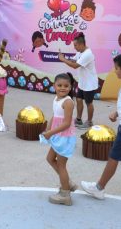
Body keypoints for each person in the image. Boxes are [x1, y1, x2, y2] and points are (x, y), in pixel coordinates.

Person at [81, 54, 121, 200]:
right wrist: (117, 112)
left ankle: (98, 188)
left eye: (117, 68)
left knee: (114, 157)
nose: (115, 71)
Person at [39, 73, 76, 206]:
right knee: (50, 159)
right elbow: (55, 116)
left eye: (66, 86)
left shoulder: (68, 102)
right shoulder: (57, 99)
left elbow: (66, 123)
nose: (62, 88)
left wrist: (50, 133)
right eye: (59, 85)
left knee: (61, 165)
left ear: (70, 87)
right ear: (54, 85)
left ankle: (65, 194)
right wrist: (48, 129)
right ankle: (67, 182)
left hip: (64, 137)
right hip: (57, 135)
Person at [58, 32, 98, 129]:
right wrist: (65, 58)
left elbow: (75, 66)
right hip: (83, 82)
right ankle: (79, 120)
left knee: (88, 103)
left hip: (90, 84)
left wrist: (63, 59)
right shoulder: (80, 52)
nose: (74, 47)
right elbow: (74, 61)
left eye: (75, 45)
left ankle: (89, 122)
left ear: (81, 44)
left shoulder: (88, 54)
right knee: (79, 99)